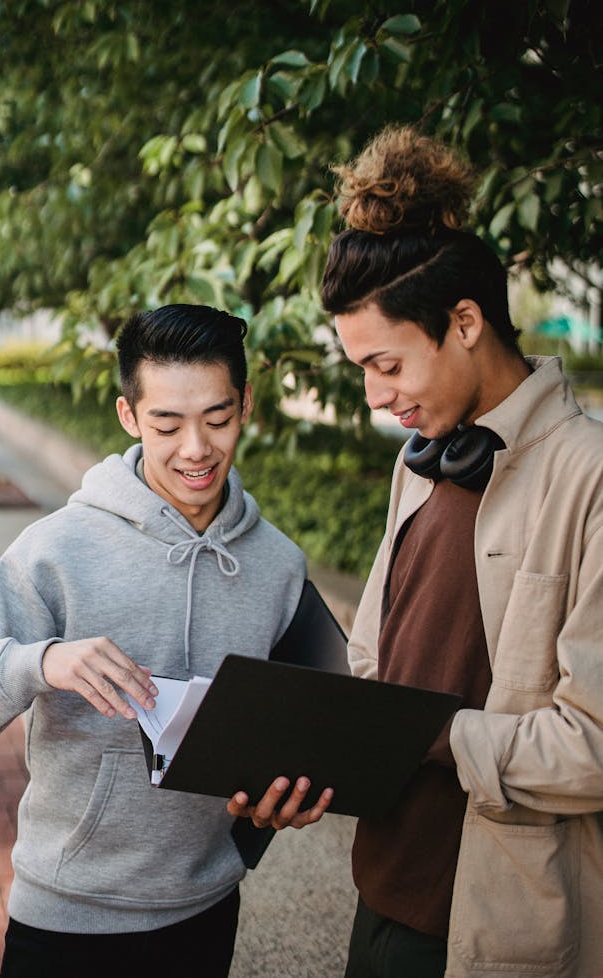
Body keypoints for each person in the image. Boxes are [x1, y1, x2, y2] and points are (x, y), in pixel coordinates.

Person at [229, 126, 603, 978]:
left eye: (387, 363)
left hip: (496, 921)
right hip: (382, 884)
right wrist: (307, 748)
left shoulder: (590, 478)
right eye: (359, 366)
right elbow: (375, 654)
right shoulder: (417, 457)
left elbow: (593, 747)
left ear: (465, 322)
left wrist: (430, 733)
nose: (373, 395)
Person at [0, 303, 331, 978]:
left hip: (206, 909)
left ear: (246, 404)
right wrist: (40, 662)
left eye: (217, 418)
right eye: (167, 423)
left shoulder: (278, 568)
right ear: (129, 416)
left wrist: (283, 799)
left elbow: (293, 731)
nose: (196, 448)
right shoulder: (57, 550)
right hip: (64, 917)